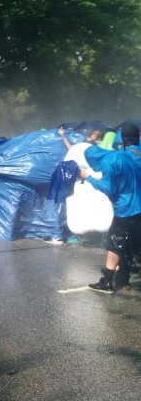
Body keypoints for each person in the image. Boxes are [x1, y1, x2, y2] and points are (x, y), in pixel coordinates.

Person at [79, 123, 141, 293]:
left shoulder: (116, 158)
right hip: (139, 208)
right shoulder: (136, 155)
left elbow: (108, 188)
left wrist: (88, 177)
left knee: (115, 243)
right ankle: (123, 279)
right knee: (131, 245)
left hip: (126, 208)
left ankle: (107, 281)